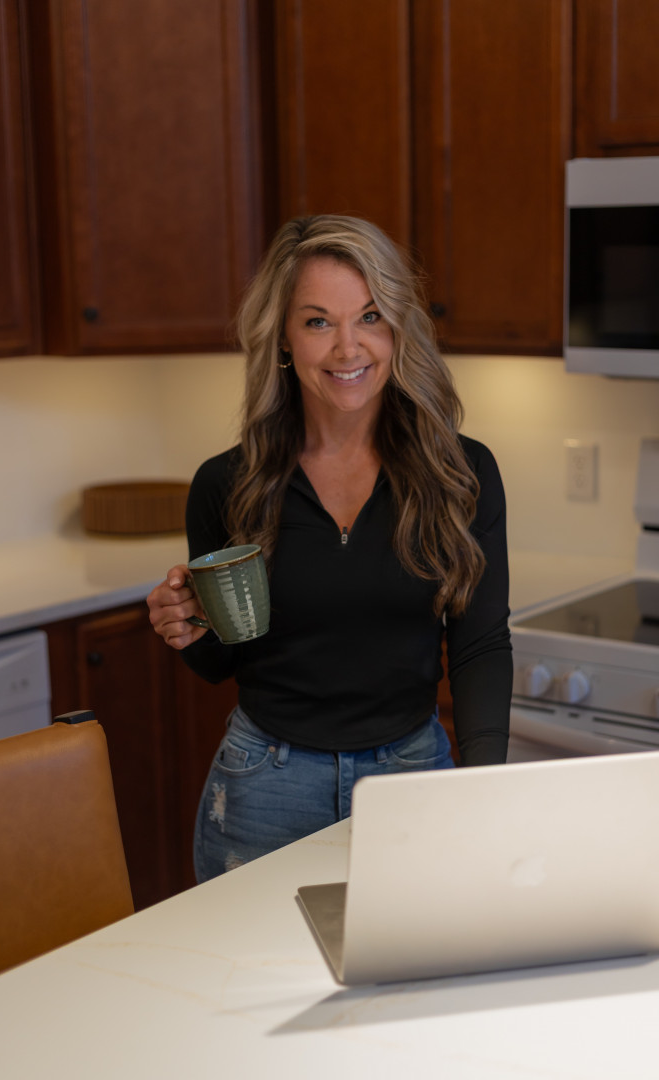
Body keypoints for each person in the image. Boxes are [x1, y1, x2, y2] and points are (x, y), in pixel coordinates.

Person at [147, 214, 512, 882]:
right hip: (265, 786)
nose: (348, 347)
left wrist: (486, 783)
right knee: (248, 956)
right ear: (284, 339)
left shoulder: (461, 474)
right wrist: (186, 629)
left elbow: (480, 644)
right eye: (318, 321)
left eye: (370, 316)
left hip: (410, 777)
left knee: (418, 954)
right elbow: (222, 661)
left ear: (397, 328)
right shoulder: (228, 483)